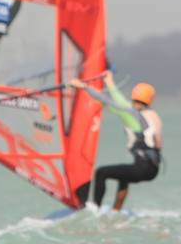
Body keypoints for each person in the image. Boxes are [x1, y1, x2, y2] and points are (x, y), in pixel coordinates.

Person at [68, 71, 162, 210]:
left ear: (133, 96)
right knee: (123, 178)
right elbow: (157, 143)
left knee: (101, 172)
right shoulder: (152, 115)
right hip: (153, 169)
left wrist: (83, 86)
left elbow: (113, 102)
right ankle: (116, 211)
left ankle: (95, 209)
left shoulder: (132, 115)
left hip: (142, 168)